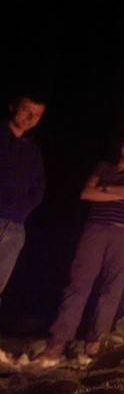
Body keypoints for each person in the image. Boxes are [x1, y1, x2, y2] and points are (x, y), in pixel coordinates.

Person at [39, 133, 124, 360]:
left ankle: (96, 342)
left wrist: (105, 189)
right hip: (96, 229)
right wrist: (120, 192)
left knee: (113, 288)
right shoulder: (103, 167)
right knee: (78, 283)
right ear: (121, 147)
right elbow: (86, 193)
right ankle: (58, 341)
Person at [0, 92, 47, 302]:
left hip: (15, 226)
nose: (30, 118)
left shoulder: (32, 151)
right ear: (13, 107)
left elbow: (38, 188)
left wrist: (21, 212)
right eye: (26, 110)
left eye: (36, 115)